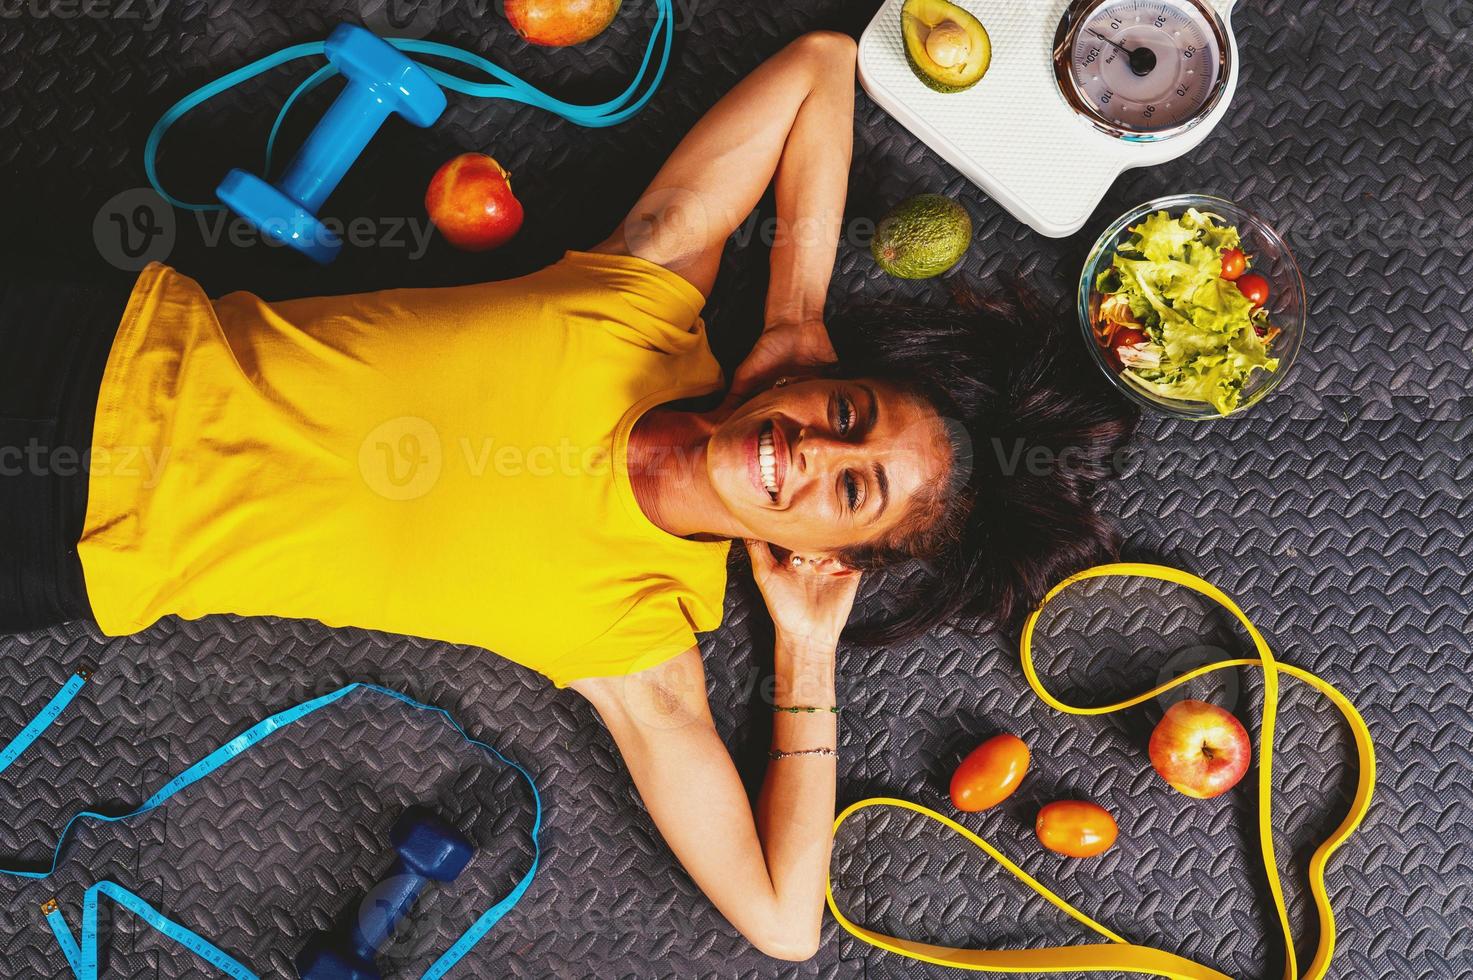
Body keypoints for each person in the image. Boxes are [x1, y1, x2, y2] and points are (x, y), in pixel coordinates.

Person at [0, 33, 1135, 959]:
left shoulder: (639, 636)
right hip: (92, 344)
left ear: (829, 549)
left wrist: (806, 649)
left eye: (851, 491)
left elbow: (787, 918)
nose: (808, 446)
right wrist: (794, 306)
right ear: (819, 381)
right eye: (846, 414)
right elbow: (824, 63)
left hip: (72, 543)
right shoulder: (646, 297)